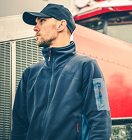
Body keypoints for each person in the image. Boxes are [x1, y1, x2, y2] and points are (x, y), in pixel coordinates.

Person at [11, 3, 112, 140]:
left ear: (61, 25)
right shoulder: (30, 73)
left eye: (42, 21)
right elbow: (19, 127)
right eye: (36, 23)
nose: (35, 28)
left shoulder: (86, 66)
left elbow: (100, 121)